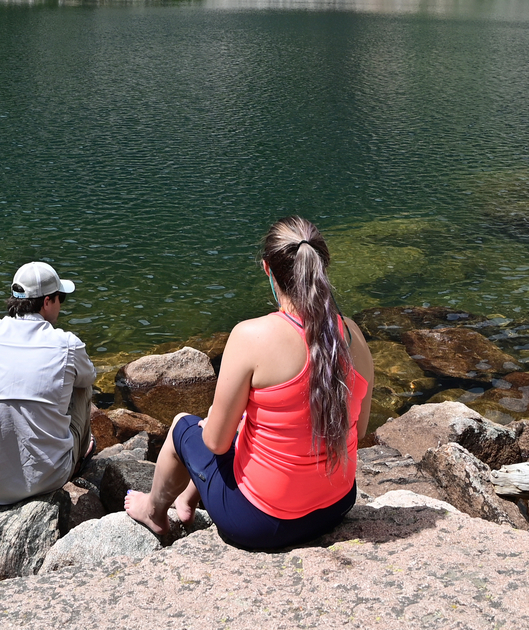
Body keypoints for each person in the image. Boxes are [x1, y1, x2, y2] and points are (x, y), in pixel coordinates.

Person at [124, 217, 374, 551]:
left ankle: (153, 510)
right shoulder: (352, 334)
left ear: (268, 270)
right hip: (336, 505)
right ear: (321, 266)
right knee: (246, 424)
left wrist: (215, 420)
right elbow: (359, 425)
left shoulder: (251, 336)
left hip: (262, 523)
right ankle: (186, 499)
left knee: (184, 427)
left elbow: (214, 443)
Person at [0, 260, 99, 505]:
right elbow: (89, 377)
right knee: (82, 382)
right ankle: (79, 456)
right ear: (47, 301)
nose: (60, 305)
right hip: (49, 478)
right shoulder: (67, 344)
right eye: (60, 299)